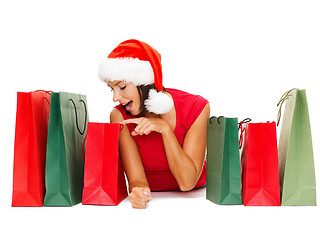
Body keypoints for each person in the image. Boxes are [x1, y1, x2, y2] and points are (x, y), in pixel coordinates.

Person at [98, 39, 210, 209]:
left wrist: (164, 129)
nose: (115, 98)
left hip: (197, 196)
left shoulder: (196, 107)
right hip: (155, 198)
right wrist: (138, 193)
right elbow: (136, 180)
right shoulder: (119, 116)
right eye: (111, 89)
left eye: (121, 87)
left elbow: (187, 183)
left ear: (145, 82)